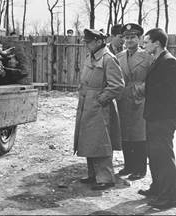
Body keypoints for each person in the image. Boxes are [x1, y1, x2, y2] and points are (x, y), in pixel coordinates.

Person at [74, 28, 125, 190]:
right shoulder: (92, 56)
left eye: (88, 42)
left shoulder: (108, 59)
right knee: (88, 140)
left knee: (100, 142)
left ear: (99, 41)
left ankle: (105, 178)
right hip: (86, 105)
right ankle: (93, 175)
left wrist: (100, 99)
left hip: (99, 107)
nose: (86, 45)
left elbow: (117, 85)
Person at [138, 28, 176, 209]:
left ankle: (169, 197)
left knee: (163, 156)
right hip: (154, 116)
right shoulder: (158, 60)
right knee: (154, 155)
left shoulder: (169, 62)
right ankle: (157, 188)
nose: (143, 45)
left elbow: (169, 94)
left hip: (163, 118)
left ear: (157, 43)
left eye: (146, 42)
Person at [115, 23, 153, 180]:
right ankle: (128, 165)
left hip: (140, 99)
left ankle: (140, 168)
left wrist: (141, 90)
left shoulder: (148, 57)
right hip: (123, 98)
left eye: (133, 37)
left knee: (139, 135)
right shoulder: (119, 56)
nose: (129, 40)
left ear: (139, 39)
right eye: (126, 37)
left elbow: (154, 79)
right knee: (125, 134)